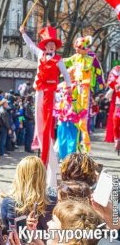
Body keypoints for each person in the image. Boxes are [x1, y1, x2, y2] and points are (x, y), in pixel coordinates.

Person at [20, 25, 72, 187]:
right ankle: (40, 139)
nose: (51, 46)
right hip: (39, 91)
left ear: (55, 47)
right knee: (38, 117)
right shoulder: (40, 54)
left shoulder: (59, 60)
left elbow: (65, 74)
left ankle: (46, 150)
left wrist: (69, 87)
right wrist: (23, 33)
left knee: (48, 121)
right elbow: (30, 45)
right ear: (45, 45)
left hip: (50, 92)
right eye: (48, 43)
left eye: (53, 44)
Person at [64, 36, 104, 152]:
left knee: (83, 116)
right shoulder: (75, 57)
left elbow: (98, 70)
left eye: (79, 48)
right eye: (76, 48)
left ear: (84, 48)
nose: (76, 50)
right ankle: (75, 144)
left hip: (85, 89)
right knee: (74, 114)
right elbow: (65, 62)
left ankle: (85, 145)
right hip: (75, 87)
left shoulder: (91, 58)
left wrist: (101, 82)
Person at [0, 156, 57, 230]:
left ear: (19, 176)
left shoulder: (8, 202)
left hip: (18, 240)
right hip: (47, 240)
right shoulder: (54, 200)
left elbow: (7, 227)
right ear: (43, 175)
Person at [105, 65, 120, 150]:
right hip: (118, 96)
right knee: (116, 120)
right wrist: (117, 85)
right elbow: (111, 81)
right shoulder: (116, 69)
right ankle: (116, 138)